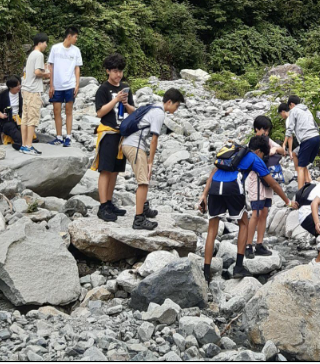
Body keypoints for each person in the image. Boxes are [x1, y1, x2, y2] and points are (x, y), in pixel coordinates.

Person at [197, 135, 296, 282]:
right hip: (232, 187)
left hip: (215, 187)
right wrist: (288, 202)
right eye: (263, 155)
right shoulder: (255, 158)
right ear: (258, 151)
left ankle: (206, 273)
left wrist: (203, 196)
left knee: (212, 229)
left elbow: (213, 173)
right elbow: (273, 184)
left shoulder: (232, 151)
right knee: (243, 223)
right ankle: (238, 267)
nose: (263, 158)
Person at [121, 87, 185, 230]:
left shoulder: (154, 106)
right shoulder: (159, 113)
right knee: (143, 181)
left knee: (144, 179)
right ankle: (138, 220)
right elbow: (154, 139)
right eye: (177, 105)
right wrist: (150, 162)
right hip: (134, 146)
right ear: (169, 102)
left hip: (131, 144)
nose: (177, 108)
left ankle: (143, 208)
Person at [93, 53, 136, 223]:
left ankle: (109, 202)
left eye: (121, 71)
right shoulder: (103, 89)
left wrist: (125, 104)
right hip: (108, 132)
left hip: (121, 134)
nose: (118, 74)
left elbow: (133, 112)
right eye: (115, 71)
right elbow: (100, 112)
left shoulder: (125, 88)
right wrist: (116, 100)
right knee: (105, 170)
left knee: (115, 171)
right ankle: (102, 206)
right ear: (108, 71)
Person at [245, 115, 286, 258]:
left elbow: (283, 151)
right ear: (257, 129)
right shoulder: (254, 142)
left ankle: (259, 244)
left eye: (267, 131)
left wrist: (275, 149)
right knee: (255, 213)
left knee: (264, 212)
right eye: (264, 130)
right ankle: (248, 245)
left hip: (267, 179)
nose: (266, 133)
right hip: (256, 179)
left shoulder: (268, 141)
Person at [47, 27, 82, 146]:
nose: (76, 39)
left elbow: (77, 68)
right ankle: (58, 136)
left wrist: (77, 84)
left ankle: (68, 136)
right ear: (69, 36)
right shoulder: (55, 48)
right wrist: (51, 85)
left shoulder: (76, 50)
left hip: (70, 85)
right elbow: (50, 67)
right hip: (57, 85)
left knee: (69, 111)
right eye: (75, 37)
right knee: (56, 111)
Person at [279, 95, 320, 188]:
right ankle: (309, 183)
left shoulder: (294, 111)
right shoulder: (307, 110)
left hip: (307, 139)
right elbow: (315, 125)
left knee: (300, 167)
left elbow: (290, 130)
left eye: (289, 107)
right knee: (301, 159)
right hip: (316, 138)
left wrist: (284, 143)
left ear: (292, 104)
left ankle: (300, 193)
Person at [20, 33, 49, 155]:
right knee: (33, 118)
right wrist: (47, 73)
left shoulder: (31, 54)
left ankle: (23, 144)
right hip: (33, 90)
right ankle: (29, 146)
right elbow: (37, 72)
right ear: (40, 43)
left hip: (26, 89)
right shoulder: (39, 55)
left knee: (25, 118)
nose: (46, 45)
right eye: (45, 43)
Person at [0, 77, 24, 151]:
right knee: (14, 131)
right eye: (17, 86)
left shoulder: (21, 94)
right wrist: (2, 116)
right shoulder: (3, 95)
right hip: (7, 120)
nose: (19, 87)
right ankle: (18, 144)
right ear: (11, 87)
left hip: (20, 118)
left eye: (20, 85)